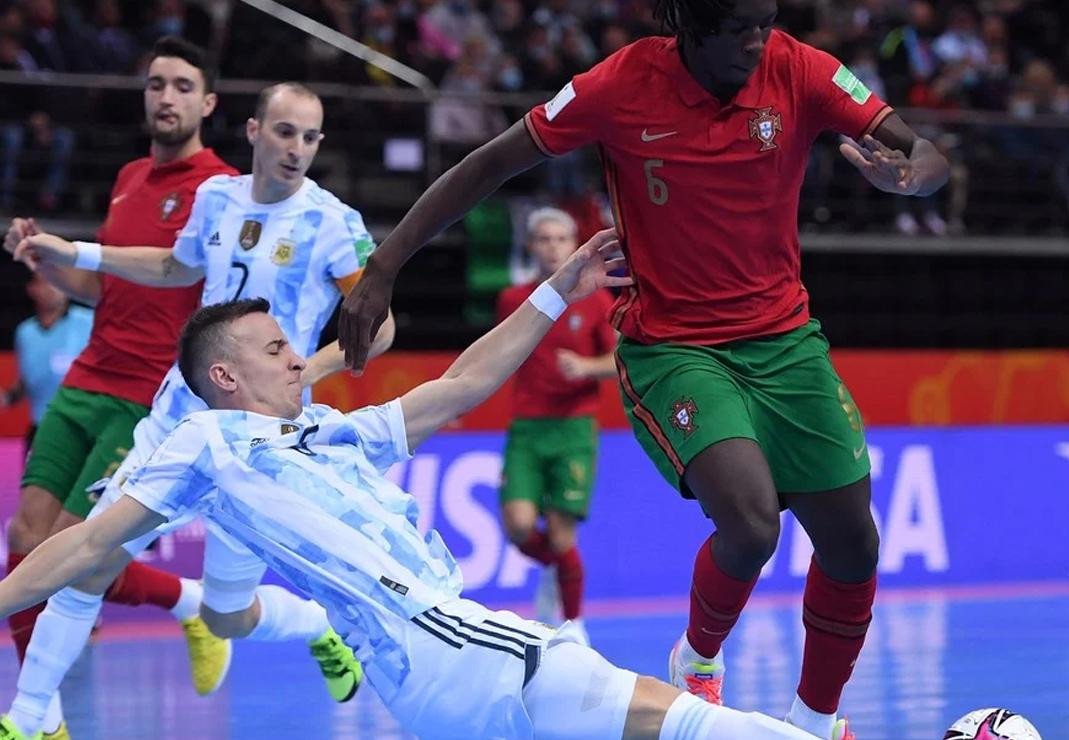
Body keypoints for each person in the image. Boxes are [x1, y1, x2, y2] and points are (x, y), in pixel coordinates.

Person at [336, 2, 950, 737]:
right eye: (736, 28)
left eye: (763, 22)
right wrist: (383, 265)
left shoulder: (798, 68)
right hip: (675, 347)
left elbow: (924, 151)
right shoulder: (619, 85)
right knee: (751, 527)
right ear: (689, 25)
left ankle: (814, 724)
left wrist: (913, 179)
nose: (755, 41)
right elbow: (490, 162)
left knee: (854, 545)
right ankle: (696, 658)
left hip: (785, 341)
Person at [0, 237, 820, 739]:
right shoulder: (206, 441)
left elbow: (463, 382)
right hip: (441, 640)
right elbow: (84, 543)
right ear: (224, 375)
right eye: (277, 347)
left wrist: (553, 290)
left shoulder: (323, 428)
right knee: (672, 717)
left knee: (655, 721)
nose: (298, 357)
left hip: (438, 660)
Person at [2, 81, 397, 739]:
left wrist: (306, 369)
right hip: (177, 420)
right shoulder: (215, 198)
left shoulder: (332, 222)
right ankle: (30, 717)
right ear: (252, 131)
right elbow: (171, 266)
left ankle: (315, 625)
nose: (297, 148)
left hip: (261, 438)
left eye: (309, 137)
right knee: (90, 557)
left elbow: (376, 328)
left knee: (226, 617)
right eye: (284, 132)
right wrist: (77, 253)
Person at [1, 35, 237, 739]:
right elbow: (104, 286)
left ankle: (190, 604)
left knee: (78, 555)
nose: (166, 97)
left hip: (145, 397)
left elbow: (170, 268)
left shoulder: (218, 188)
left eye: (182, 86)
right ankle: (43, 721)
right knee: (23, 537)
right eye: (156, 84)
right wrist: (47, 256)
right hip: (85, 381)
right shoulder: (130, 174)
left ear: (209, 102)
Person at [497, 207, 616, 636]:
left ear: (574, 246)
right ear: (531, 246)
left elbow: (622, 359)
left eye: (560, 239)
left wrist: (585, 367)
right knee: (519, 527)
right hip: (527, 428)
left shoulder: (597, 300)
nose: (552, 246)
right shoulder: (513, 301)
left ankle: (573, 624)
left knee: (563, 531)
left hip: (574, 429)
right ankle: (557, 570)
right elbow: (498, 356)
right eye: (543, 239)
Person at [1, 273, 93, 450]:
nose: (52, 289)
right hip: (40, 427)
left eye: (58, 282)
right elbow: (27, 382)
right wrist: (7, 398)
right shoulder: (25, 332)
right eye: (45, 282)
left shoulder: (89, 321)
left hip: (80, 427)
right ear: (32, 289)